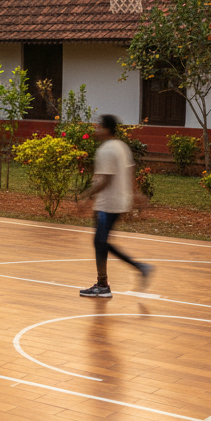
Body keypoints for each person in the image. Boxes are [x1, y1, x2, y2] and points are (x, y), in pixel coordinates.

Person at [79, 114, 153, 298]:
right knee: (101, 242)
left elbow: (105, 180)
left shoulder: (106, 150)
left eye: (99, 126)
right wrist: (135, 194)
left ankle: (104, 284)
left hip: (107, 204)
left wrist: (86, 197)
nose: (96, 129)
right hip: (120, 202)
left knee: (100, 242)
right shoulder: (122, 146)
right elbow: (131, 171)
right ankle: (133, 270)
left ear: (106, 129)